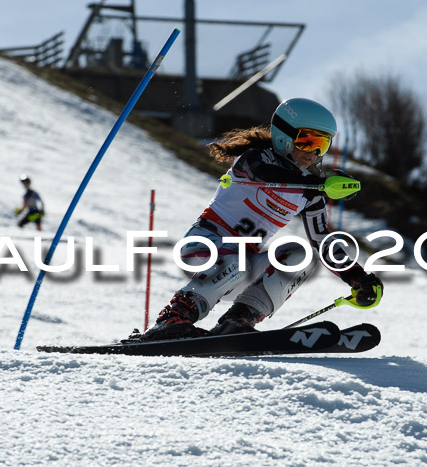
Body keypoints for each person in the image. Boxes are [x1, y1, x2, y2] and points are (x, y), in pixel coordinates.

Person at [141, 98, 383, 340]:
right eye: (307, 141)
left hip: (240, 269)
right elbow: (263, 174)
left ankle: (237, 322)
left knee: (303, 257)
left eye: (322, 144)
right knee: (238, 257)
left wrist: (357, 277)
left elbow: (324, 243)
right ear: (283, 136)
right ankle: (173, 318)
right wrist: (319, 183)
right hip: (203, 249)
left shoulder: (310, 193)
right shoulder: (255, 158)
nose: (314, 153)